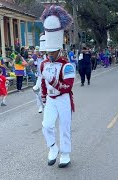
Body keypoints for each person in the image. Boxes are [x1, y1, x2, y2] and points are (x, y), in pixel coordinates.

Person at [40, 5, 75, 168]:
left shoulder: (67, 66)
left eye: (52, 52)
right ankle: (53, 147)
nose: (50, 55)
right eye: (48, 52)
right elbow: (42, 82)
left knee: (65, 127)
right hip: (51, 100)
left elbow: (67, 87)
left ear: (59, 50)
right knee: (46, 125)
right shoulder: (44, 64)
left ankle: (66, 153)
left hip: (63, 99)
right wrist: (44, 96)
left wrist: (53, 80)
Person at [33, 35, 47, 113]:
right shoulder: (37, 58)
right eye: (37, 51)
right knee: (36, 90)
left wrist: (44, 55)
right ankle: (41, 106)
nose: (38, 52)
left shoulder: (46, 57)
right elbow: (34, 66)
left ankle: (47, 104)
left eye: (40, 51)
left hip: (47, 77)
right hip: (40, 77)